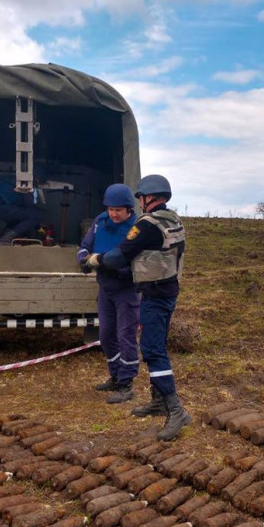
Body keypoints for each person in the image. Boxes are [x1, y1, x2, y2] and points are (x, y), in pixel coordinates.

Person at [85, 174, 191, 441]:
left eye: (142, 197)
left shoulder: (147, 225)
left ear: (150, 197)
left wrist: (97, 260)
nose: (140, 202)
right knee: (155, 347)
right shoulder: (173, 220)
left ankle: (175, 410)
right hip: (168, 291)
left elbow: (121, 254)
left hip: (154, 295)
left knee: (153, 351)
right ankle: (157, 401)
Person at [77, 184, 141, 404]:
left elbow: (138, 262)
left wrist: (115, 266)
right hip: (105, 289)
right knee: (106, 336)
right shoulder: (100, 222)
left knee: (126, 336)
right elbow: (85, 246)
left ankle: (126, 383)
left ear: (128, 209)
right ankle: (115, 375)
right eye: (110, 209)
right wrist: (83, 260)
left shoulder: (136, 228)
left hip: (127, 290)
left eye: (118, 210)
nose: (113, 214)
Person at [0, 173, 44, 244]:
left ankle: (3, 238)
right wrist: (37, 226)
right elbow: (30, 209)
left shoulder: (8, 178)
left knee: (18, 218)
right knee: (36, 216)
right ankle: (4, 240)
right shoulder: (26, 183)